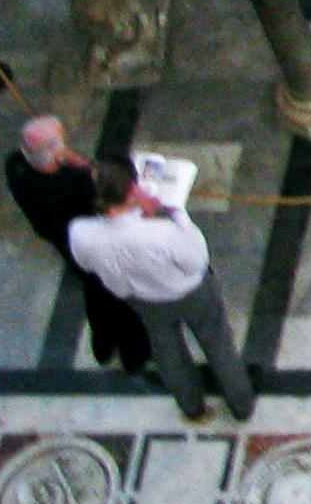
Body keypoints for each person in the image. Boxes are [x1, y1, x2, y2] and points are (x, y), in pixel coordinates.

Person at [68, 153, 256, 423]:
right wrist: (177, 215)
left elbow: (87, 263)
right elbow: (195, 261)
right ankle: (241, 405)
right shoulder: (161, 231)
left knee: (168, 351)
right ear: (133, 190)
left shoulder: (81, 232)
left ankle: (192, 408)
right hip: (191, 291)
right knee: (217, 343)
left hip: (143, 298)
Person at [2, 116, 150, 376]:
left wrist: (63, 159)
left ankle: (103, 345)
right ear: (55, 154)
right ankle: (134, 354)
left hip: (67, 244)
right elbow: (105, 191)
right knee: (122, 299)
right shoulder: (78, 184)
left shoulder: (16, 167)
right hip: (96, 247)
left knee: (95, 294)